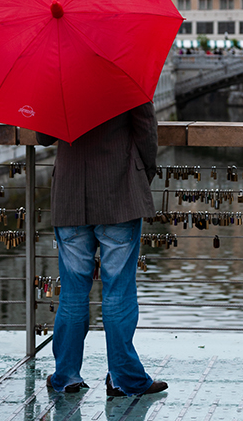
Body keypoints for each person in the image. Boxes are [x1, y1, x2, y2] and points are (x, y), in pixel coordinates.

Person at [36, 102, 167, 397]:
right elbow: (146, 131)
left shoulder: (57, 76)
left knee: (72, 292)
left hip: (70, 196)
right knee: (118, 290)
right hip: (118, 192)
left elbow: (43, 137)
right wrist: (142, 176)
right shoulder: (125, 73)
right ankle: (125, 379)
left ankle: (66, 376)